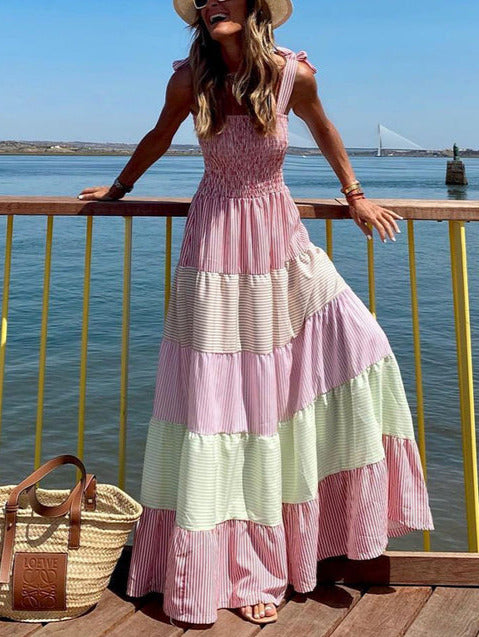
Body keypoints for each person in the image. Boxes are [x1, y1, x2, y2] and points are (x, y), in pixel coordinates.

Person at [78, 0, 434, 628]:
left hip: (278, 239)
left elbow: (324, 129)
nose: (213, 2)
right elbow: (160, 135)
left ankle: (301, 537)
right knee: (219, 403)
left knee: (358, 343)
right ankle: (233, 567)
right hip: (214, 244)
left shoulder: (294, 74)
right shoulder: (190, 79)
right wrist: (119, 188)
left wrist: (354, 195)